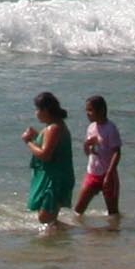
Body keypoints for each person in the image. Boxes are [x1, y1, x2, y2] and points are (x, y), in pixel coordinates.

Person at [23, 91, 77, 232]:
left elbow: (45, 155)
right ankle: (64, 235)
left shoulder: (54, 128)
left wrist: (28, 142)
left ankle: (69, 233)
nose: (36, 113)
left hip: (56, 178)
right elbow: (49, 146)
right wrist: (36, 136)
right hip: (56, 176)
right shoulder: (53, 126)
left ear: (45, 110)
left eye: (37, 109)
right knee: (47, 218)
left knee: (45, 217)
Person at [73, 95, 123, 222]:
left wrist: (109, 175)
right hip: (93, 173)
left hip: (108, 174)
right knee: (78, 211)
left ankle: (113, 236)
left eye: (90, 110)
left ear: (101, 110)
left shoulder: (110, 128)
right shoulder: (91, 128)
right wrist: (87, 145)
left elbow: (117, 153)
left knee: (113, 213)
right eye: (86, 110)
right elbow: (88, 153)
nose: (87, 114)